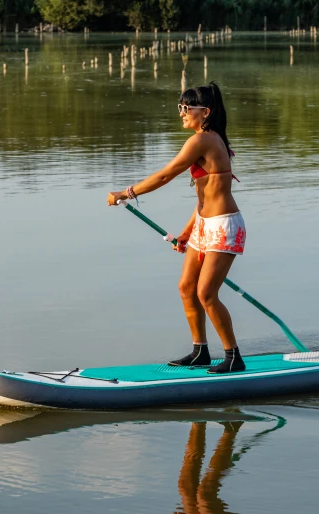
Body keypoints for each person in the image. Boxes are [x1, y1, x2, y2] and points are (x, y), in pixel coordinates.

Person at [107, 82, 246, 374]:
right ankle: (200, 352)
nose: (181, 113)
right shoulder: (206, 138)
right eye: (180, 107)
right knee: (186, 288)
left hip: (223, 226)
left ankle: (233, 357)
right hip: (203, 224)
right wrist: (187, 232)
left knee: (207, 293)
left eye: (186, 108)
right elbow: (205, 197)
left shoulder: (203, 140)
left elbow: (165, 175)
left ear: (204, 112)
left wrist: (124, 193)